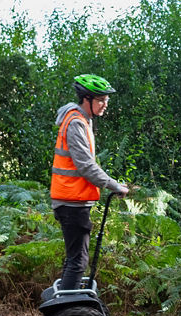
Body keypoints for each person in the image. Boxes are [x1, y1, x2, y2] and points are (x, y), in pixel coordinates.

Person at [50, 74, 129, 291]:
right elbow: (86, 166)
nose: (105, 105)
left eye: (106, 100)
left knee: (74, 259)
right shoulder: (75, 122)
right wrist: (115, 186)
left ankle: (65, 312)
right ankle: (67, 315)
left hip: (73, 200)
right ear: (87, 99)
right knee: (78, 262)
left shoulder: (83, 120)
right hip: (71, 201)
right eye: (101, 100)